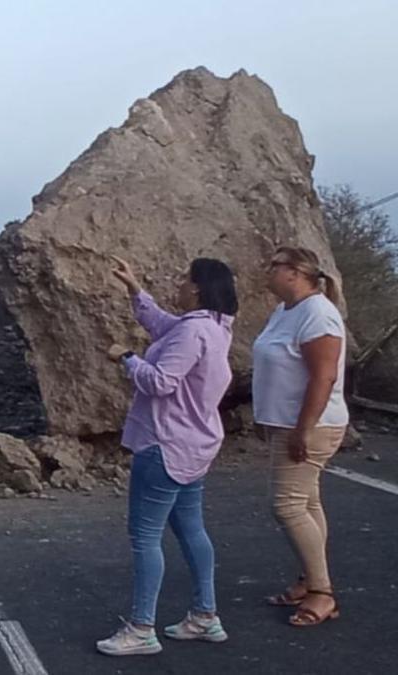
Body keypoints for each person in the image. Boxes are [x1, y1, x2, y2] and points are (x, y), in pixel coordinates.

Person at [97, 257, 238, 657]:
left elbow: (160, 382)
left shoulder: (193, 331)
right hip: (195, 445)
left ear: (196, 288)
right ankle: (205, 616)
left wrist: (127, 358)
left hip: (164, 445)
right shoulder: (215, 327)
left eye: (183, 278)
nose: (178, 284)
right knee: (191, 528)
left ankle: (142, 628)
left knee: (144, 537)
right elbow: (161, 323)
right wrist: (134, 289)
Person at [253, 246, 348, 627]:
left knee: (287, 505)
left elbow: (323, 377)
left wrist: (302, 428)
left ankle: (322, 593)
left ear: (294, 272)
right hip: (287, 423)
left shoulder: (318, 314)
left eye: (273, 266)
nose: (268, 271)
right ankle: (309, 580)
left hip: (312, 425)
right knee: (306, 502)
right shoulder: (286, 311)